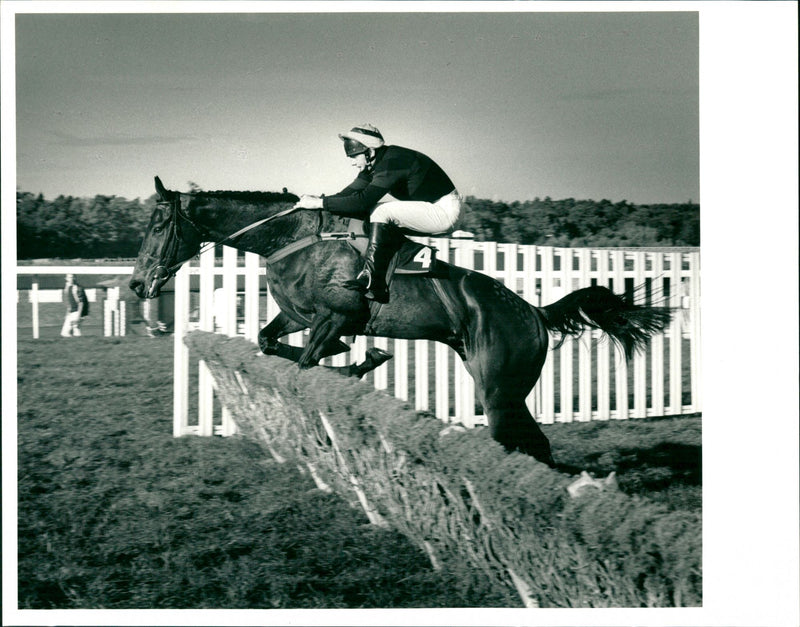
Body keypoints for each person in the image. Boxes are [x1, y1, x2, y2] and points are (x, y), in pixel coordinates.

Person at [294, 124, 462, 303]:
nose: (352, 161)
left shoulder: (393, 161)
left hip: (445, 212)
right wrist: (317, 202)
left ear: (369, 151)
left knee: (380, 211)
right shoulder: (375, 163)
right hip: (432, 208)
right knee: (373, 211)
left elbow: (361, 202)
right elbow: (347, 195)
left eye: (353, 156)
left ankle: (373, 280)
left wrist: (320, 203)